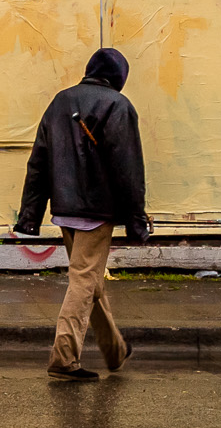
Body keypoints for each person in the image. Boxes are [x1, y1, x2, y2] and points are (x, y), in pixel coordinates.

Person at [14, 47, 151, 380]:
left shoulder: (60, 101)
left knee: (87, 279)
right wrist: (136, 220)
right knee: (83, 281)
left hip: (65, 210)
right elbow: (127, 170)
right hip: (97, 212)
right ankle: (63, 358)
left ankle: (114, 349)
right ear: (119, 77)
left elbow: (39, 162)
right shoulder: (118, 106)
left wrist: (31, 215)